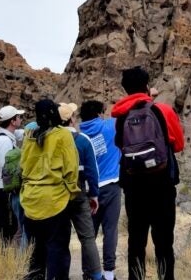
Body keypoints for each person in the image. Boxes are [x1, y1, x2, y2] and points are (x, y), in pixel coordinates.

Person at [112, 66, 184, 280]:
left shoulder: (121, 117)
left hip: (134, 189)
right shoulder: (163, 110)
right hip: (162, 187)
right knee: (164, 244)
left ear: (125, 90)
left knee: (136, 243)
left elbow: (120, 146)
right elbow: (178, 145)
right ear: (146, 86)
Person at [20, 99, 79, 280]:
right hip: (55, 202)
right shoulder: (63, 135)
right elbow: (71, 169)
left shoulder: (29, 135)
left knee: (36, 252)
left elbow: (23, 167)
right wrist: (71, 192)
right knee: (57, 251)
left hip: (30, 201)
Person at [59, 102, 103, 280]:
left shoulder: (52, 140)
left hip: (58, 197)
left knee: (60, 240)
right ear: (72, 119)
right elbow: (92, 173)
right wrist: (94, 195)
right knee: (87, 238)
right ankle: (96, 276)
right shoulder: (83, 140)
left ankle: (60, 275)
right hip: (79, 195)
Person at [80, 100, 121, 280]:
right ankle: (109, 274)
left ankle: (89, 273)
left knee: (89, 235)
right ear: (98, 113)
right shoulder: (111, 125)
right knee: (110, 230)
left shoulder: (80, 136)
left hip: (90, 189)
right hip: (111, 186)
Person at [0, 105, 25, 244]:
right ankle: (0, 258)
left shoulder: (6, 136)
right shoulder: (4, 141)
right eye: (19, 117)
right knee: (5, 227)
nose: (21, 119)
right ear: (13, 121)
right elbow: (7, 168)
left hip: (0, 188)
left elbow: (22, 133)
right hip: (3, 189)